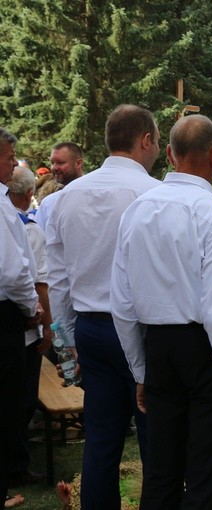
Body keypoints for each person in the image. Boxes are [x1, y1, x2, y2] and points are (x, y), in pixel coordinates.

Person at [111, 115, 212, 509]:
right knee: (206, 474)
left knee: (160, 471)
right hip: (201, 349)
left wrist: (141, 369)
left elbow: (122, 304)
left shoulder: (137, 211)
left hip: (157, 345)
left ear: (173, 156)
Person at [46, 104, 161, 510]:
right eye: (157, 141)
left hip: (90, 330)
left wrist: (66, 341)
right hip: (145, 330)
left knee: (100, 440)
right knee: (155, 442)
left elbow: (57, 279)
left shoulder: (66, 198)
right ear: (145, 140)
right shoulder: (152, 194)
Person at [0, 128, 43, 509]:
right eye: (8, 156)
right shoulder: (0, 206)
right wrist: (32, 309)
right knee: (8, 401)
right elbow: (14, 273)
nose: (14, 163)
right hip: (6, 315)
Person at [7, 166, 54, 489]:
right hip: (21, 328)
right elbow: (39, 285)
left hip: (12, 322)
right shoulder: (29, 229)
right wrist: (47, 328)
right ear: (28, 195)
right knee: (20, 401)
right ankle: (15, 466)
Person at [34, 142, 85, 230]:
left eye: (60, 163)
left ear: (78, 163)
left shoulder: (95, 194)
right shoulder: (49, 203)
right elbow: (40, 239)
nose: (54, 168)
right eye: (52, 163)